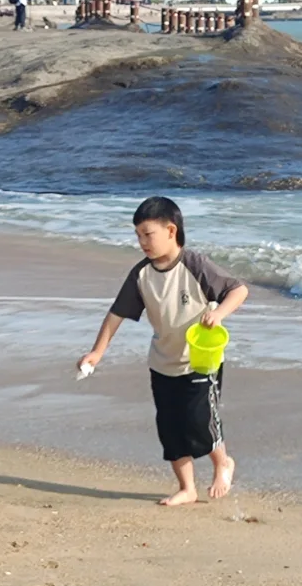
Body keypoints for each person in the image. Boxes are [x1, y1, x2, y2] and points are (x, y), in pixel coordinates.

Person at [77, 197, 248, 505]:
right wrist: (97, 352)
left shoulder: (195, 265)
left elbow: (238, 290)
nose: (142, 242)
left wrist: (219, 313)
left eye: (148, 234)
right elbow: (116, 314)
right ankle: (187, 487)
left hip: (200, 361)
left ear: (171, 230)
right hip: (162, 363)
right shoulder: (141, 275)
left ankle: (223, 462)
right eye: (138, 235)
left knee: (199, 420)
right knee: (170, 429)